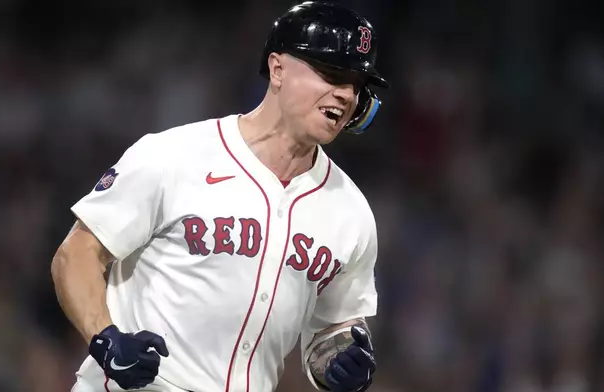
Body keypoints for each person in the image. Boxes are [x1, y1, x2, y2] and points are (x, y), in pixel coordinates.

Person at [51, 1, 389, 391]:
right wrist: (106, 339)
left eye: (356, 85)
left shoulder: (351, 212)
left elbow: (335, 330)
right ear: (277, 69)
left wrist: (342, 360)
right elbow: (76, 254)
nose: (345, 94)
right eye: (331, 73)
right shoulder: (174, 155)